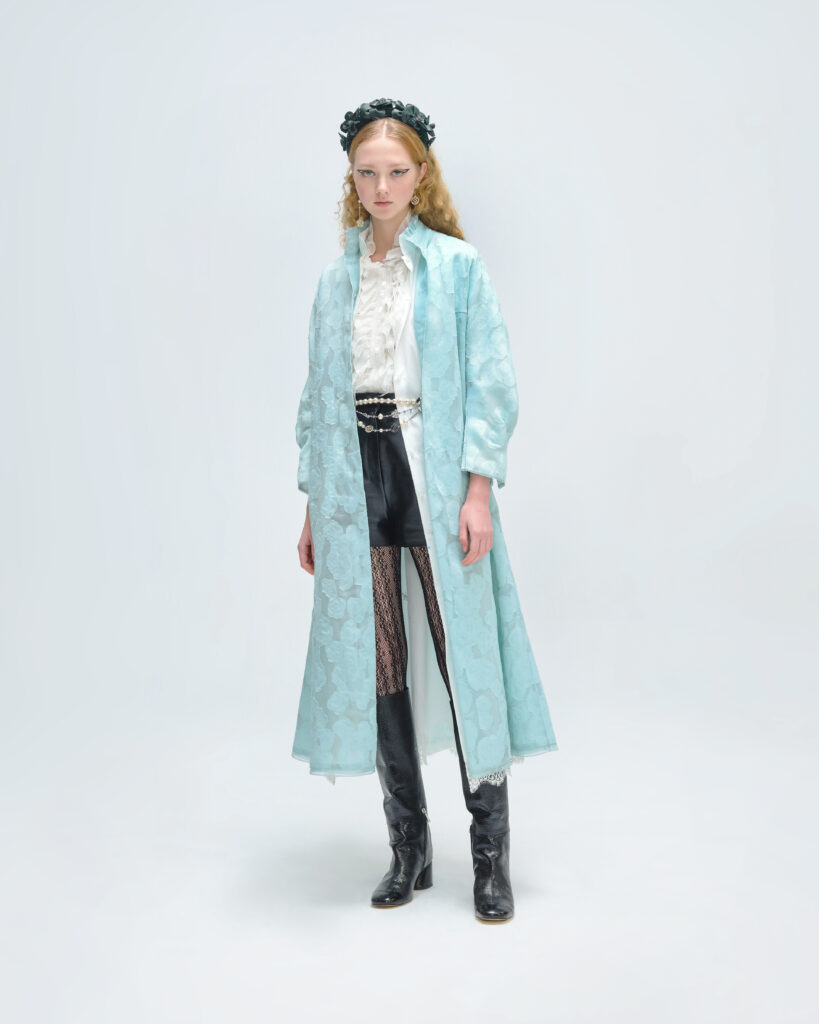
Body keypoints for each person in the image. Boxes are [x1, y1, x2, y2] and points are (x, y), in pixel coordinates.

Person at [293, 98, 558, 923]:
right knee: (380, 660)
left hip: (430, 471)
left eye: (396, 172)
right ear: (351, 179)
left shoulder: (455, 266)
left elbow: (490, 381)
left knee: (460, 653)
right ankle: (407, 847)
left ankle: (489, 858)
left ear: (420, 175)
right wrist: (313, 506)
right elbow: (316, 399)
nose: (381, 187)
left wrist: (477, 489)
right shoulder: (335, 282)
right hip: (353, 477)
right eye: (366, 173)